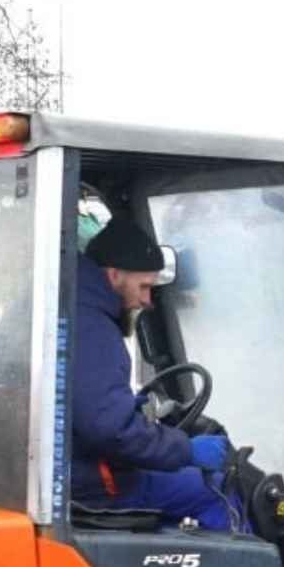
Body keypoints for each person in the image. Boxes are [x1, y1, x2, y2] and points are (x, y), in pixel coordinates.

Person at [71, 213, 247, 531]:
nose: (147, 300)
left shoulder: (62, 304)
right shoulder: (90, 327)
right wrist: (186, 449)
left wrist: (134, 411)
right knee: (216, 489)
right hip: (94, 485)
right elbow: (110, 430)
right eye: (144, 286)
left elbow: (92, 408)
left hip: (73, 472)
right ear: (113, 275)